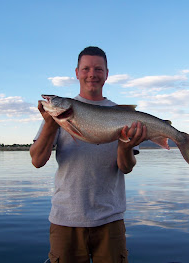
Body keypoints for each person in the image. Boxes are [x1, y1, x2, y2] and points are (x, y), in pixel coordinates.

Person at [30, 46, 147, 263]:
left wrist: (124, 146)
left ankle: (180, 138)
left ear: (106, 74)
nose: (92, 74)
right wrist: (49, 125)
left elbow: (126, 167)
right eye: (86, 69)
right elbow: (37, 161)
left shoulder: (123, 114)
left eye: (98, 69)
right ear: (77, 73)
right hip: (66, 219)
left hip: (110, 219)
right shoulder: (56, 117)